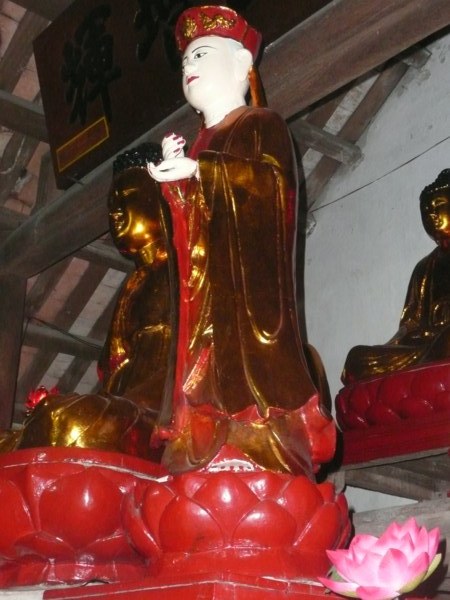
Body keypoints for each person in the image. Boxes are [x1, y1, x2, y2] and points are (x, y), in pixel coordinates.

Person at [147, 6, 335, 477]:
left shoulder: (262, 124)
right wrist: (178, 187)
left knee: (255, 431)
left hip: (249, 306)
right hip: (206, 303)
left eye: (201, 55)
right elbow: (190, 237)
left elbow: (271, 189)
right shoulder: (198, 143)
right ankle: (201, 434)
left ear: (240, 64)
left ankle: (254, 433)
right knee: (186, 445)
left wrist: (202, 172)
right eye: (185, 61)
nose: (189, 67)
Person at [342, 169, 450, 384]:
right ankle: (418, 375)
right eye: (426, 211)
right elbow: (409, 326)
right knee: (356, 359)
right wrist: (394, 345)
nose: (431, 215)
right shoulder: (424, 268)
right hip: (424, 349)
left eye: (438, 206)